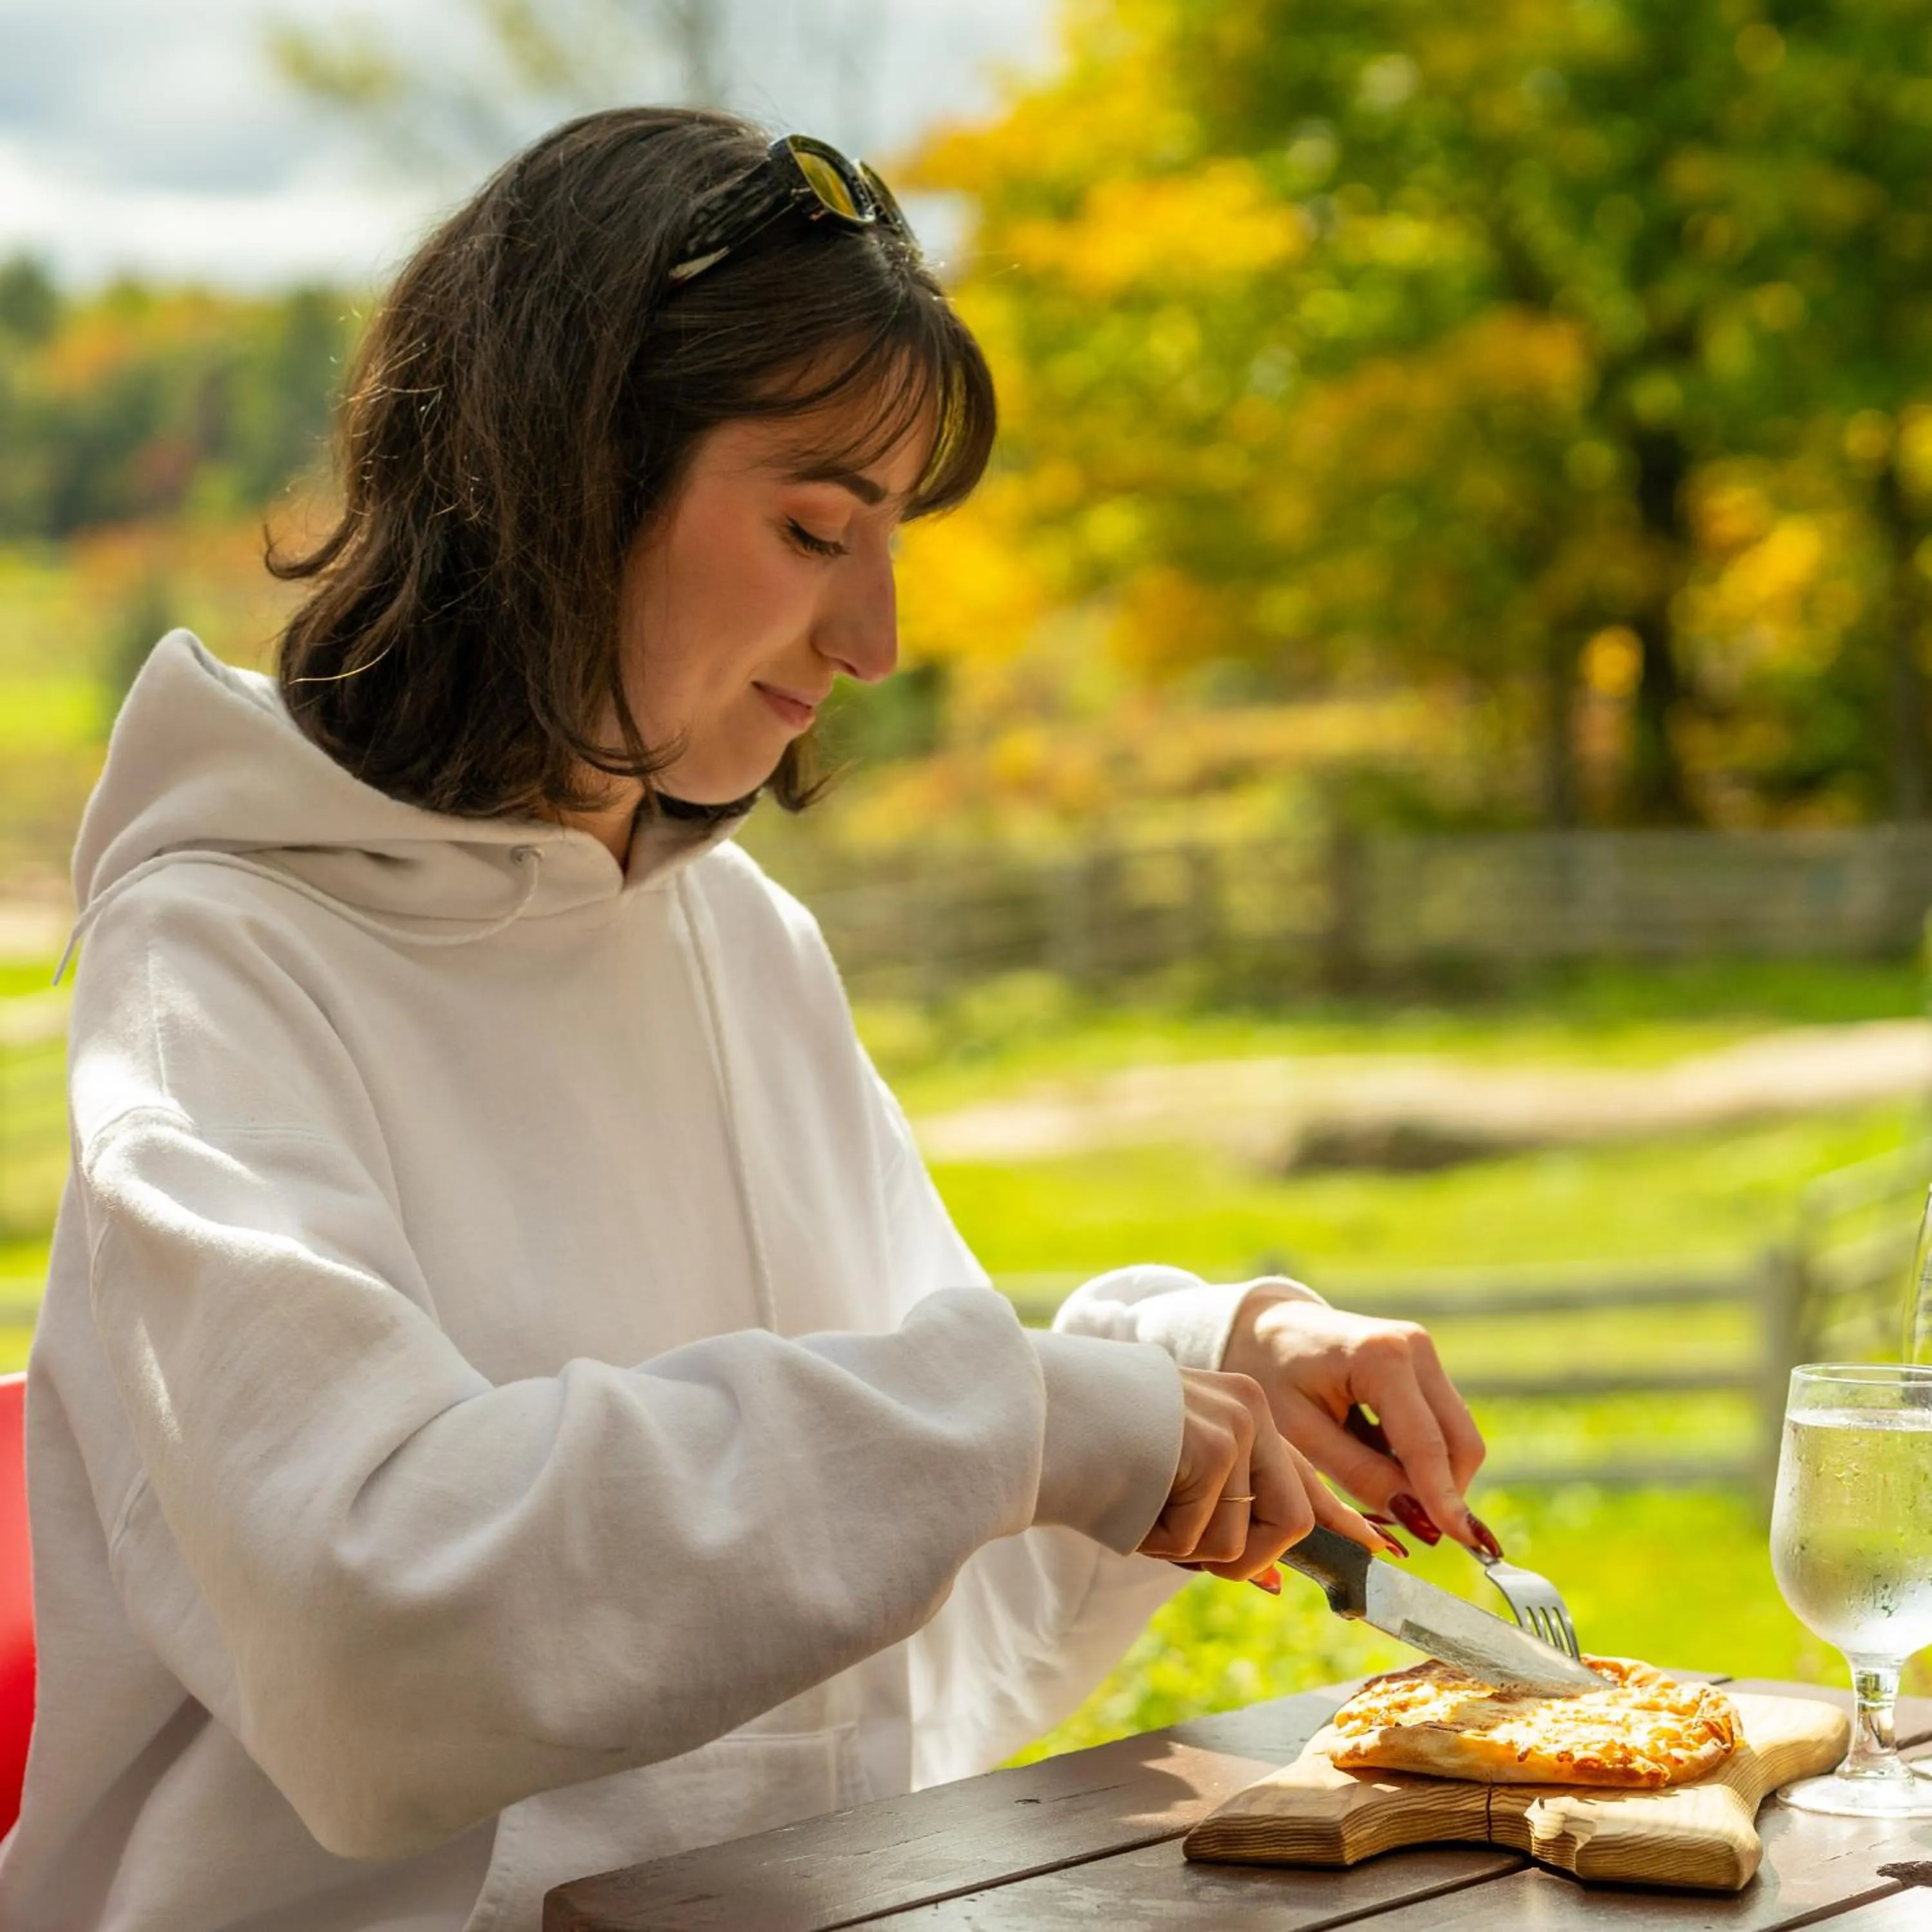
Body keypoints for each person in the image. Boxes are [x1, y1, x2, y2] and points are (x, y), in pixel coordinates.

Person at [0, 107, 1486, 1930]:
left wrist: (1189, 1376)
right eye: (811, 526)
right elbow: (375, 1629)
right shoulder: (225, 960)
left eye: (891, 539)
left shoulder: (736, 941)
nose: (872, 636)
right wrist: (1035, 1421)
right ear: (564, 480)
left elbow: (894, 1630)